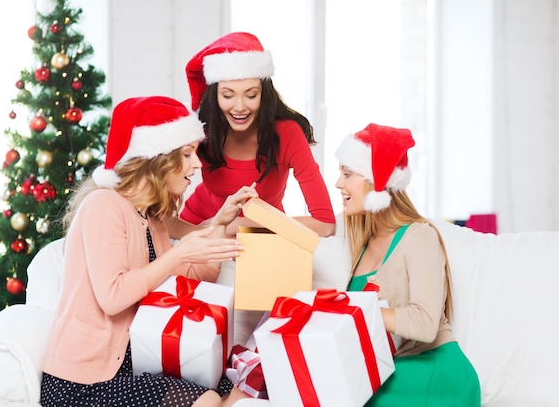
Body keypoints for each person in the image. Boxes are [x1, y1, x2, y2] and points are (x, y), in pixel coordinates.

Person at [40, 96, 256, 407]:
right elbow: (112, 297)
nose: (197, 164)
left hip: (134, 363)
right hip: (80, 383)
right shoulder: (104, 205)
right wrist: (177, 255)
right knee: (207, 399)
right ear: (158, 159)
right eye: (186, 154)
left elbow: (196, 281)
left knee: (232, 383)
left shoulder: (151, 217)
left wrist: (220, 223)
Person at [334, 123, 481, 406]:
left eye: (347, 174)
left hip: (435, 373)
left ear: (374, 180)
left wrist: (352, 308)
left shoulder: (418, 236)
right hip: (393, 370)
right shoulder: (361, 243)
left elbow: (425, 325)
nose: (338, 184)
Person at [170, 31, 335, 238]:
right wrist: (207, 231)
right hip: (199, 225)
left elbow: (325, 223)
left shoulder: (287, 134)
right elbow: (157, 213)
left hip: (261, 235)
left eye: (251, 95)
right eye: (228, 95)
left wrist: (232, 225)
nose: (240, 107)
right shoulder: (202, 129)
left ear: (264, 94)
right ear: (215, 96)